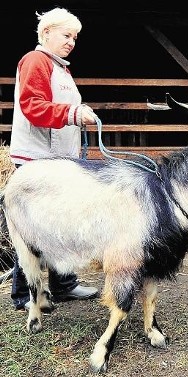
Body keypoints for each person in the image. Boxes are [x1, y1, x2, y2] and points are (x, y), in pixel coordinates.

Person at [9, 7, 99, 310]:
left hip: (56, 159)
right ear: (46, 32)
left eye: (74, 37)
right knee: (34, 226)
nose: (71, 41)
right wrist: (74, 112)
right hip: (38, 158)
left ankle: (63, 284)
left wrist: (76, 109)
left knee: (60, 224)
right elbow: (33, 106)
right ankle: (25, 294)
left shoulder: (60, 67)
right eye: (66, 34)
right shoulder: (36, 61)